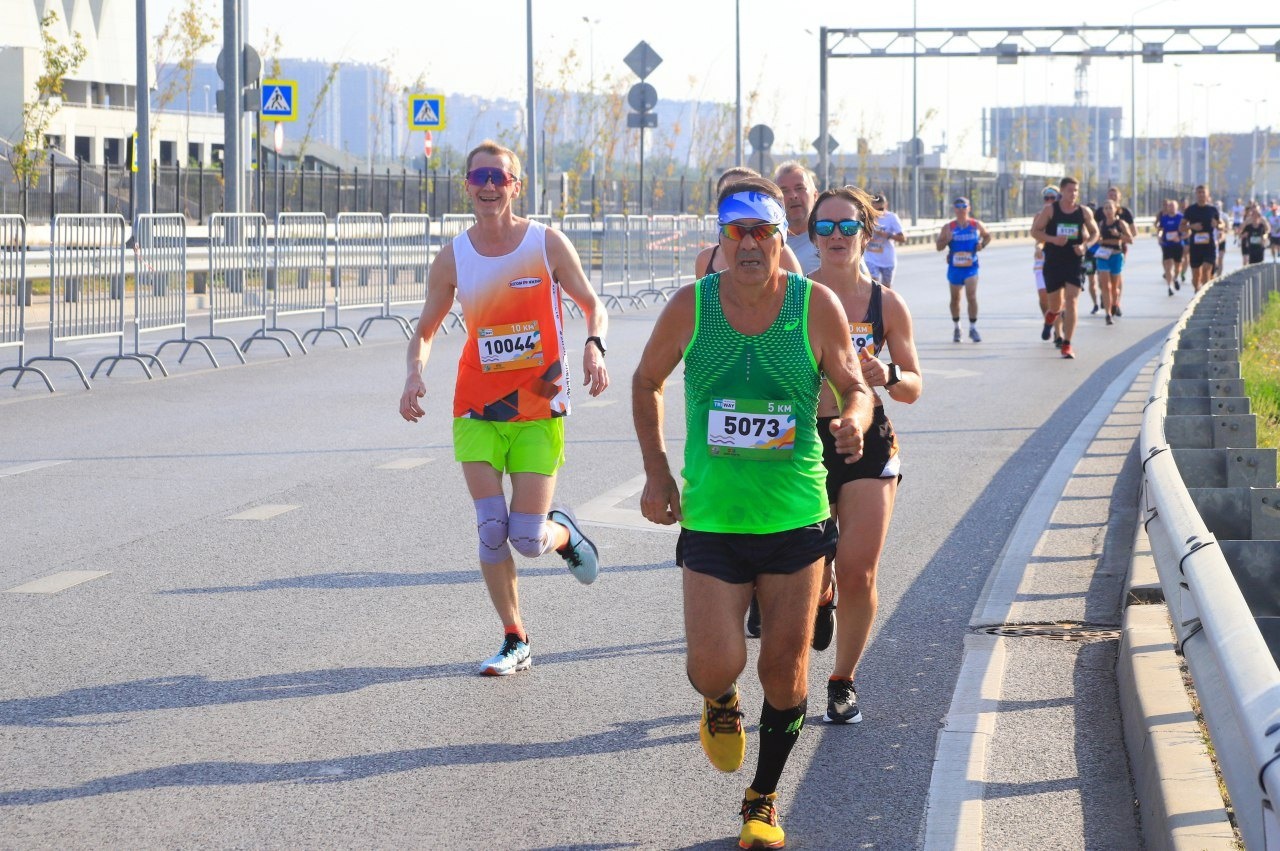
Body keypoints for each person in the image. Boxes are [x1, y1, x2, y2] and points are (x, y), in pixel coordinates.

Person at [632, 176, 874, 850]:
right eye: (734, 231)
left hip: (796, 518)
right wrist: (655, 470)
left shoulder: (813, 307)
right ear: (718, 238)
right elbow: (646, 380)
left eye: (761, 232)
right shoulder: (693, 308)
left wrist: (854, 419)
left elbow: (856, 387)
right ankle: (719, 700)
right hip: (712, 518)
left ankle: (763, 799)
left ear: (779, 238)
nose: (747, 244)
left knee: (785, 672)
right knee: (714, 663)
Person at [399, 140, 610, 676]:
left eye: (499, 176)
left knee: (527, 539)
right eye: (479, 178)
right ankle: (515, 637)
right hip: (476, 406)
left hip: (540, 405)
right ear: (466, 186)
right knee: (492, 527)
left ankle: (562, 533)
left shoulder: (545, 243)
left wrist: (594, 345)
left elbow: (592, 305)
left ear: (515, 185)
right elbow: (425, 328)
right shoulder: (453, 256)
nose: (489, 186)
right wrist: (414, 373)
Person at [806, 185, 922, 725]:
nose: (836, 236)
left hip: (868, 441)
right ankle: (820, 593)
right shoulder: (792, 297)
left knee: (860, 571)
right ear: (811, 235)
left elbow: (913, 385)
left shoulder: (885, 304)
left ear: (865, 234)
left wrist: (888, 374)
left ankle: (843, 679)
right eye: (825, 227)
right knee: (809, 568)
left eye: (847, 226)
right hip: (800, 444)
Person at [1031, 176, 1098, 360]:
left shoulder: (1083, 212)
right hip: (1053, 262)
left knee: (1072, 301)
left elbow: (1095, 233)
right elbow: (1035, 231)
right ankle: (1051, 315)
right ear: (1062, 191)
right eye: (1070, 190)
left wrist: (1085, 246)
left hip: (1074, 261)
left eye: (1076, 190)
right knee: (1055, 305)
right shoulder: (1050, 210)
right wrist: (1053, 239)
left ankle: (1067, 344)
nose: (1073, 194)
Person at [696, 166, 803, 279]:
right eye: (729, 194)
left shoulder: (781, 254)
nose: (748, 244)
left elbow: (798, 292)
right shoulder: (705, 259)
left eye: (746, 193)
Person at [935, 197, 991, 343]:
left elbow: (988, 236)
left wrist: (982, 244)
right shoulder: (949, 227)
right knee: (955, 299)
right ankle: (957, 327)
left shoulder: (975, 224)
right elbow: (938, 247)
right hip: (955, 268)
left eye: (963, 206)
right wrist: (946, 240)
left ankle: (973, 328)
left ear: (969, 208)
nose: (961, 209)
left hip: (971, 267)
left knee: (971, 296)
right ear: (954, 209)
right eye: (958, 206)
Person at [773, 161, 822, 275]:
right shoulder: (767, 241)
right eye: (784, 191)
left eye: (800, 188)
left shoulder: (831, 237)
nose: (793, 196)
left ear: (815, 195)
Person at [1094, 200, 1134, 324]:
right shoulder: (1101, 224)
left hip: (1116, 256)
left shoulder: (1121, 223)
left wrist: (1119, 235)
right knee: (1106, 286)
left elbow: (1130, 239)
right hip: (1103, 256)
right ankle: (1108, 314)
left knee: (1114, 287)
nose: (1107, 211)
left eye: (1110, 208)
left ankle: (1115, 304)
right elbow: (1096, 238)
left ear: (1116, 209)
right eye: (1105, 208)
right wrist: (1099, 240)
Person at [1180, 185, 1222, 292]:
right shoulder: (1190, 210)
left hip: (1209, 246)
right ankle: (1196, 289)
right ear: (1196, 195)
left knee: (1206, 269)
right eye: (1199, 192)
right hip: (1195, 246)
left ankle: (1203, 294)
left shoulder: (1212, 210)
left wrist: (1216, 224)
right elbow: (1181, 227)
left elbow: (1221, 226)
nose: (1201, 195)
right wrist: (1191, 226)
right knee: (1196, 274)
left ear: (1207, 195)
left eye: (1203, 192)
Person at [864, 192, 906, 287]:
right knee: (873, 285)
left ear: (886, 205)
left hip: (887, 259)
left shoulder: (891, 218)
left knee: (886, 289)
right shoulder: (866, 218)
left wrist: (886, 235)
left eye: (880, 209)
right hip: (871, 258)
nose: (878, 212)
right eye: (874, 209)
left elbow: (903, 238)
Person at [1156, 199, 1184, 296]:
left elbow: (1187, 231)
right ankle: (1169, 286)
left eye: (1173, 206)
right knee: (1168, 266)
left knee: (1177, 266)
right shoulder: (1164, 218)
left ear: (1177, 207)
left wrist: (1180, 237)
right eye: (1170, 206)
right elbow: (1160, 229)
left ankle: (1176, 278)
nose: (1171, 208)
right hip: (1167, 245)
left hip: (1178, 245)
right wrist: (1159, 237)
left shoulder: (1181, 217)